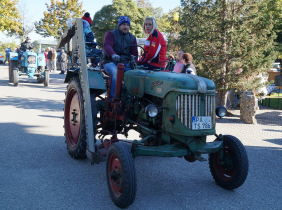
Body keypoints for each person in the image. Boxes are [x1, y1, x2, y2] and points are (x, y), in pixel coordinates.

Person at [103, 16, 138, 99]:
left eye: (127, 25)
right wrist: (113, 54)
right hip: (110, 62)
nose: (125, 27)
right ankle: (113, 97)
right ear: (119, 25)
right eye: (123, 24)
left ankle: (131, 98)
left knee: (135, 75)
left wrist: (134, 59)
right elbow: (107, 46)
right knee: (116, 72)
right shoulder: (111, 34)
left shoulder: (132, 38)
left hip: (125, 63)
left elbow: (134, 52)